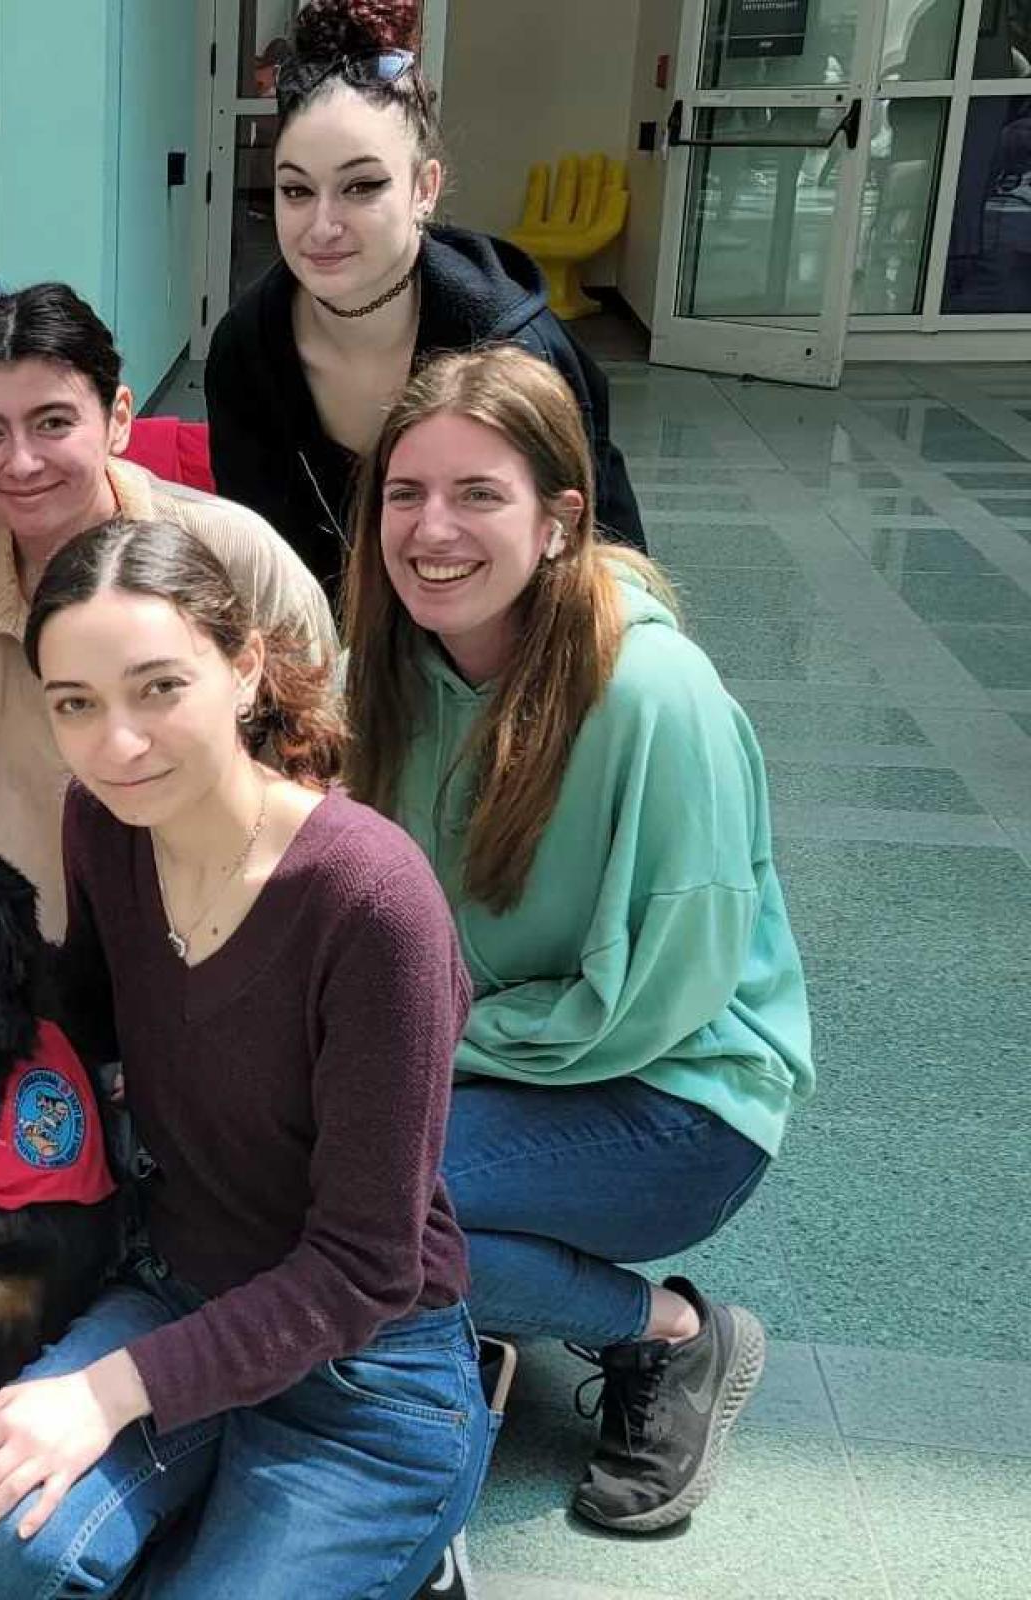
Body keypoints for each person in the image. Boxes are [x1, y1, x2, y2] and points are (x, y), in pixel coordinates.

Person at [0, 517, 489, 1598]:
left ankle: (401, 1541)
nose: (117, 743)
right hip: (181, 1288)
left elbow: (368, 1267)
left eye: (157, 688)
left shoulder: (373, 903)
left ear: (242, 669)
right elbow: (81, 1018)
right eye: (75, 705)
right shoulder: (102, 823)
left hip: (365, 1367)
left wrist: (105, 1394)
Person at [342, 346, 810, 1533]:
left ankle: (673, 1336)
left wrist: (407, 1055)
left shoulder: (658, 693)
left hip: (677, 1096)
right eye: (406, 493)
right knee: (299, 1161)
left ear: (559, 519)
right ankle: (468, 1288)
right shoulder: (388, 671)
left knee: (373, 1196)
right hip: (501, 1056)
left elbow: (649, 1001)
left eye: (478, 494)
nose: (431, 528)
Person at [0, 282, 332, 936]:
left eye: (53, 422)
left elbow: (327, 761)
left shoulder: (238, 557)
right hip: (28, 972)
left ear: (119, 419)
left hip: (236, 942)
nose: (22, 462)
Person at [203, 0, 643, 594]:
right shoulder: (246, 350)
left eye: (362, 186)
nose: (322, 225)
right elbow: (261, 568)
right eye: (296, 190)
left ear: (424, 189)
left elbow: (597, 563)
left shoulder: (515, 350)